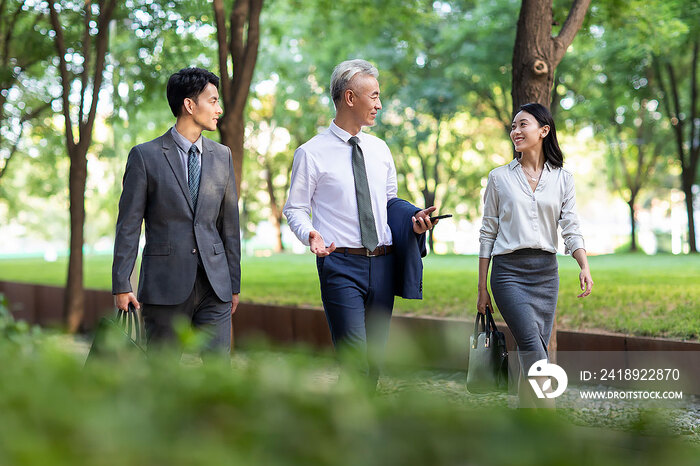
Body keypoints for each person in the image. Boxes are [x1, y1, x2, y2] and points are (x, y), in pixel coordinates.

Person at [283, 59, 437, 382]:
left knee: (374, 365)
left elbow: (389, 203)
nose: (379, 105)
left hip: (383, 264)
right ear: (350, 98)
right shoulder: (311, 153)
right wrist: (310, 233)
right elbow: (294, 208)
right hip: (340, 265)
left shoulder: (381, 150)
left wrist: (413, 220)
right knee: (355, 363)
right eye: (375, 96)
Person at [112, 67, 241, 355]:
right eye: (213, 101)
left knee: (218, 379)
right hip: (164, 286)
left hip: (214, 286)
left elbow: (229, 225)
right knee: (164, 374)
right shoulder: (145, 156)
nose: (219, 109)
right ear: (189, 105)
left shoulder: (223, 156)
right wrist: (121, 283)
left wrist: (233, 283)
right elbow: (129, 225)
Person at [477, 102, 593, 407]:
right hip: (508, 275)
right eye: (513, 126)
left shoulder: (562, 179)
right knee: (533, 348)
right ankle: (548, 428)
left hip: (545, 274)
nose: (515, 131)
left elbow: (570, 225)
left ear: (544, 130)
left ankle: (525, 427)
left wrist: (584, 265)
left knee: (534, 348)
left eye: (522, 124)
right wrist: (482, 287)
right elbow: (487, 232)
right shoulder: (499, 178)